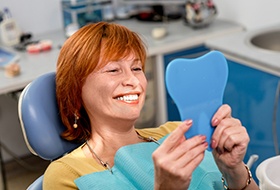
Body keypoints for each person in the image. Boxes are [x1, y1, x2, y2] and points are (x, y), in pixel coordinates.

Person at [43, 21, 259, 190]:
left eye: (136, 69)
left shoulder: (179, 133)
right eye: (113, 70)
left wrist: (235, 171)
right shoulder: (67, 174)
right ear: (76, 89)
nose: (134, 82)